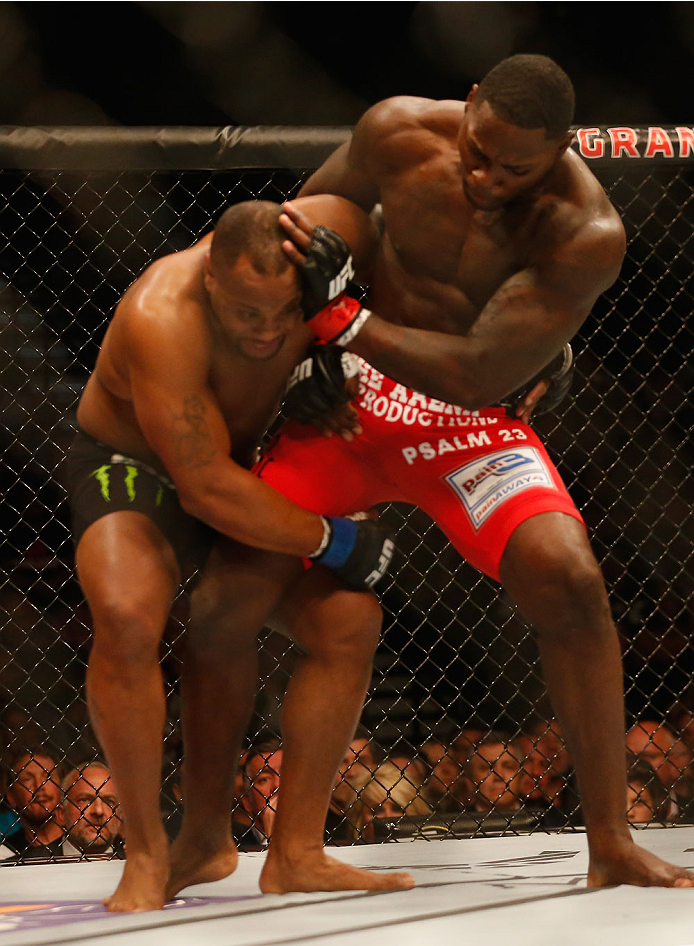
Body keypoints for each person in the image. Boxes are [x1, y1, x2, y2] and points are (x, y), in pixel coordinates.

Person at [261, 53, 694, 887]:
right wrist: (306, 344)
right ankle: (265, 845)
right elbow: (308, 226)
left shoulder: (586, 232)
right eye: (477, 149)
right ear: (466, 110)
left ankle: (610, 840)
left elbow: (476, 370)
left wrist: (343, 321)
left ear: (565, 149)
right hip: (354, 402)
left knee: (570, 579)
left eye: (515, 166)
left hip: (468, 422)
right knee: (231, 583)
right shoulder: (396, 129)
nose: (486, 175)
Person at [66, 195, 409, 911]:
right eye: (249, 313)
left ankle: (297, 854)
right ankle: (149, 852)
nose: (269, 330)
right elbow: (206, 489)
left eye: (286, 312)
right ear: (213, 282)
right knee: (128, 615)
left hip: (250, 463)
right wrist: (333, 537)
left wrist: (535, 353)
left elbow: (420, 254)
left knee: (347, 624)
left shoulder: (323, 231)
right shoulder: (162, 316)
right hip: (140, 468)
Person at [2, 748, 64, 860]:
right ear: (11, 798)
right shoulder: (5, 854)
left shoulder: (81, 838)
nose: (39, 786)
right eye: (27, 779)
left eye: (47, 777)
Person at [60, 761, 124, 857]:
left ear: (120, 814)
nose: (98, 811)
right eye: (85, 800)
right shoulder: (31, 862)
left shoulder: (138, 858)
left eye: (109, 801)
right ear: (62, 814)